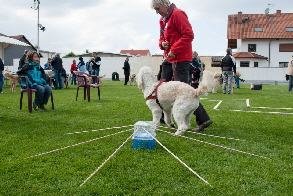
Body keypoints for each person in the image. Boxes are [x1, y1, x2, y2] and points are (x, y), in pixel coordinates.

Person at [151, 0, 213, 132]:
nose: (156, 12)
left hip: (180, 58)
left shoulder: (178, 14)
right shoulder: (163, 20)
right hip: (169, 58)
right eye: (154, 9)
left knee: (185, 92)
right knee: (162, 86)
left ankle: (203, 119)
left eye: (157, 8)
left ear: (164, 3)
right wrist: (163, 44)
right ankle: (163, 116)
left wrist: (175, 50)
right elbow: (161, 38)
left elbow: (189, 35)